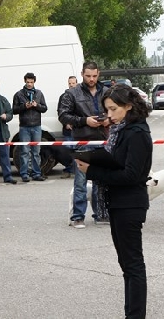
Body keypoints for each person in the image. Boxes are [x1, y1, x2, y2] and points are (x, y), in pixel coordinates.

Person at [75, 84, 152, 319]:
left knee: (133, 266)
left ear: (128, 106)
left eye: (113, 109)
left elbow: (131, 175)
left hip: (130, 204)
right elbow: (119, 164)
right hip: (118, 202)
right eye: (107, 109)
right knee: (127, 266)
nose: (109, 115)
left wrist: (92, 171)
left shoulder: (137, 133)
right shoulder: (123, 130)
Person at [58, 61, 110, 228]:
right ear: (82, 74)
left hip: (103, 141)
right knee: (80, 182)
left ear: (99, 73)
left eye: (94, 76)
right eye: (88, 76)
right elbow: (63, 115)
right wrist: (84, 120)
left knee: (100, 181)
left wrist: (108, 120)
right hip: (83, 142)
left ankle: (101, 214)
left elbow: (117, 110)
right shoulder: (72, 93)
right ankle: (78, 217)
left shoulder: (107, 91)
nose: (91, 79)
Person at [12, 72, 48, 182]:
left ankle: (36, 173)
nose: (29, 84)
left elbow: (44, 108)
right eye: (28, 82)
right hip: (24, 127)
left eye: (31, 82)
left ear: (34, 82)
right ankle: (24, 174)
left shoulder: (39, 93)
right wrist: (24, 106)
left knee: (36, 152)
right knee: (24, 152)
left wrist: (37, 105)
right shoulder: (18, 94)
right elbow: (14, 110)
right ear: (25, 81)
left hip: (36, 126)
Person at [58, 76, 78, 178]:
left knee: (78, 151)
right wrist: (66, 123)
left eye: (73, 83)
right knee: (68, 152)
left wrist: (76, 123)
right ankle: (69, 170)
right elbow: (60, 112)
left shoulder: (81, 96)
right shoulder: (63, 97)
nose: (71, 85)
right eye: (70, 83)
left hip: (78, 129)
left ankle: (78, 171)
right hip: (68, 130)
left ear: (77, 83)